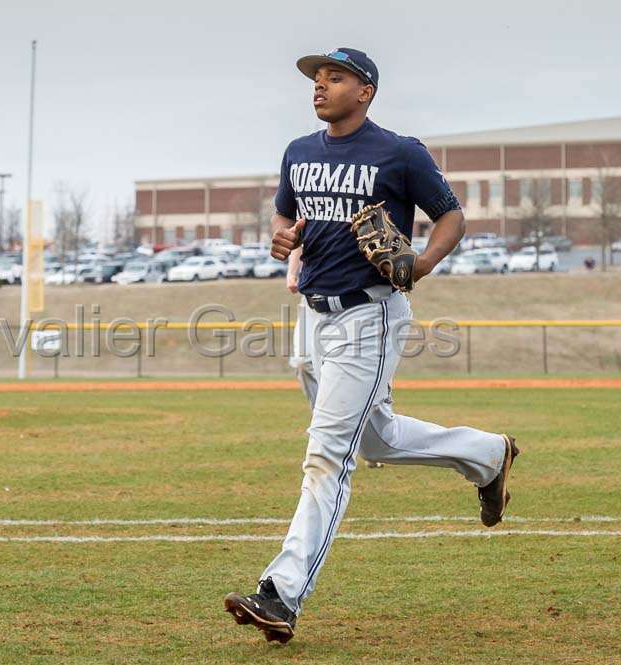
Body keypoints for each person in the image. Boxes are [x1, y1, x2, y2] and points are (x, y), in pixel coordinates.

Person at [224, 48, 519, 644]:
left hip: (370, 313)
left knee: (328, 455)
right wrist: (284, 244)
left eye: (335, 77)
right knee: (375, 438)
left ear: (366, 91)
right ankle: (488, 454)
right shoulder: (299, 152)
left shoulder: (400, 152)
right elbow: (287, 222)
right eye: (317, 78)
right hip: (312, 317)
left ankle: (280, 595)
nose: (320, 86)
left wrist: (422, 263)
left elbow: (451, 217)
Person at [288, 247, 382, 468]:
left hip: (355, 301)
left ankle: (372, 443)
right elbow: (298, 241)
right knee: (302, 362)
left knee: (360, 379)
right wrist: (292, 272)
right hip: (312, 301)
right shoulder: (310, 213)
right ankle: (324, 429)